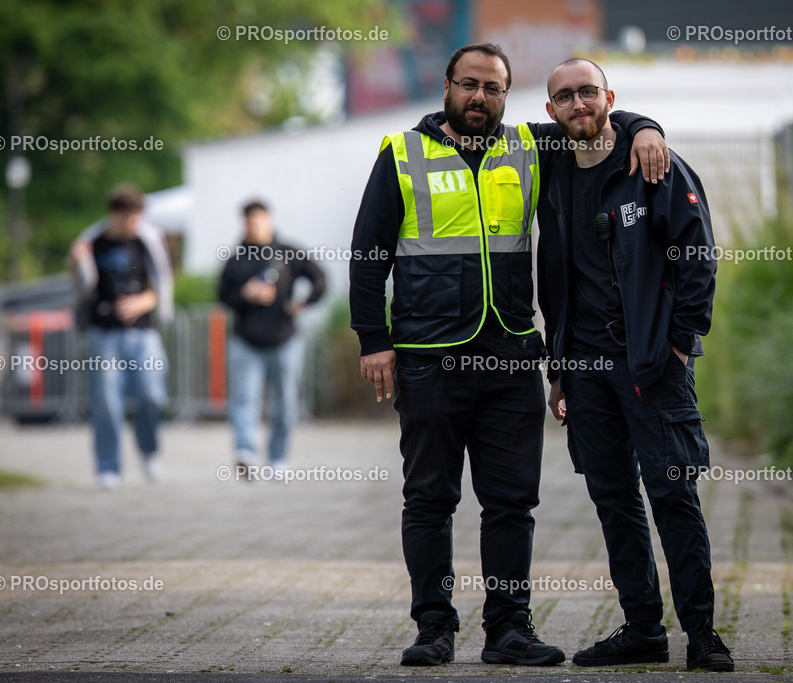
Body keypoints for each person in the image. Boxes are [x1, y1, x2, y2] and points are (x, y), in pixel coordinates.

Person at [349, 42, 669, 667]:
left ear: (507, 95)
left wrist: (645, 127)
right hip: (428, 355)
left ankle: (508, 630)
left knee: (512, 502)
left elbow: (590, 117)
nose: (480, 97)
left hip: (511, 354)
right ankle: (433, 628)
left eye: (493, 88)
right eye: (469, 84)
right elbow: (368, 254)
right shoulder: (401, 152)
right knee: (430, 500)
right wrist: (373, 341)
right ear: (447, 87)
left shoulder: (529, 145)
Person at [537, 58, 732, 672]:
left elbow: (697, 254)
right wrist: (559, 369)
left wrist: (681, 341)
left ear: (609, 97)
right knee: (613, 499)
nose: (578, 104)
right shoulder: (551, 167)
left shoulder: (651, 163)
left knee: (672, 494)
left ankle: (702, 634)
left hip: (652, 365)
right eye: (565, 97)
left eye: (588, 92)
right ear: (550, 110)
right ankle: (643, 629)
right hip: (584, 368)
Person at [69, 184, 173, 490]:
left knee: (152, 394)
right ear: (116, 214)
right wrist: (76, 263)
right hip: (104, 333)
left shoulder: (147, 241)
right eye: (130, 217)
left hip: (143, 332)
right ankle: (108, 467)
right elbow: (80, 287)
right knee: (106, 403)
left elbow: (162, 284)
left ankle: (149, 451)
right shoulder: (93, 242)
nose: (135, 223)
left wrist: (144, 302)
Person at [218, 200, 326, 478]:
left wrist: (304, 303)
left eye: (257, 219)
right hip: (246, 342)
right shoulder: (235, 259)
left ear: (269, 220)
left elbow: (319, 279)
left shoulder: (289, 252)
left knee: (285, 403)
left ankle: (278, 459)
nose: (252, 225)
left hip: (284, 341)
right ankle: (245, 452)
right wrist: (245, 294)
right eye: (248, 220)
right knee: (244, 399)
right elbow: (222, 297)